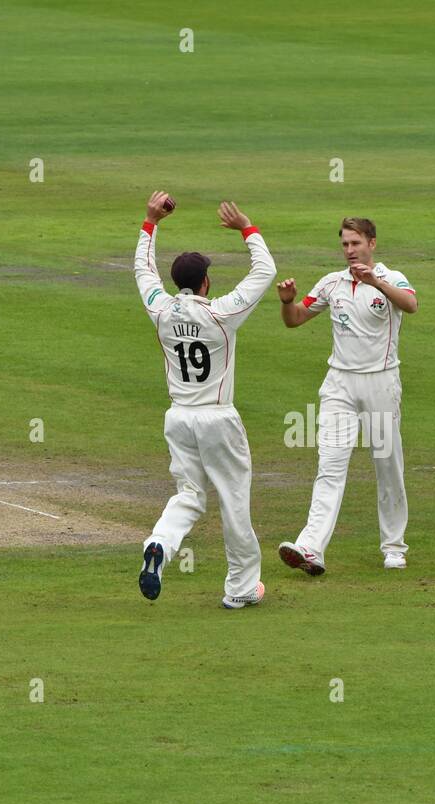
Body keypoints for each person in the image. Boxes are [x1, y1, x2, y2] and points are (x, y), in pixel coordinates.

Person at [134, 191, 277, 608]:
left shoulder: (161, 310)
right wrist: (246, 228)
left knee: (189, 494)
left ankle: (160, 544)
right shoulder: (221, 313)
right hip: (217, 418)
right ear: (205, 282)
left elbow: (143, 272)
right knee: (233, 501)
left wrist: (150, 221)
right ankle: (240, 588)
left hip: (178, 419)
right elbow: (265, 270)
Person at [276, 218, 417, 574]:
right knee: (330, 465)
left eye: (356, 243)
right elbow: (294, 320)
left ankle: (394, 546)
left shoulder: (392, 277)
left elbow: (411, 305)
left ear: (372, 242)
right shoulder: (332, 283)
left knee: (387, 466)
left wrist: (377, 282)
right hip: (339, 383)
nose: (350, 250)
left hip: (380, 382)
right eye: (345, 244)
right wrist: (287, 302)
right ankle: (311, 547)